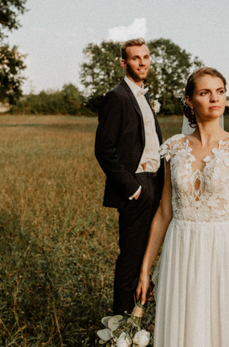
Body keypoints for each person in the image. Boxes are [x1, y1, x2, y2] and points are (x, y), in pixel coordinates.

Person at [136, 67, 229, 347]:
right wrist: (146, 269)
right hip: (181, 248)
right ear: (189, 100)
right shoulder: (173, 148)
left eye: (220, 91)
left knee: (223, 327)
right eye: (205, 92)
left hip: (223, 248)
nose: (215, 99)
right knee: (183, 328)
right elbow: (163, 213)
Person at [95, 38, 164, 316]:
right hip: (136, 187)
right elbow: (104, 149)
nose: (143, 62)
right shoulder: (117, 97)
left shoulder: (143, 97)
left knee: (150, 254)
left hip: (156, 183)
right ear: (124, 63)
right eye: (136, 58)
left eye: (146, 57)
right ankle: (121, 326)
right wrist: (133, 189)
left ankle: (139, 315)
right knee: (131, 258)